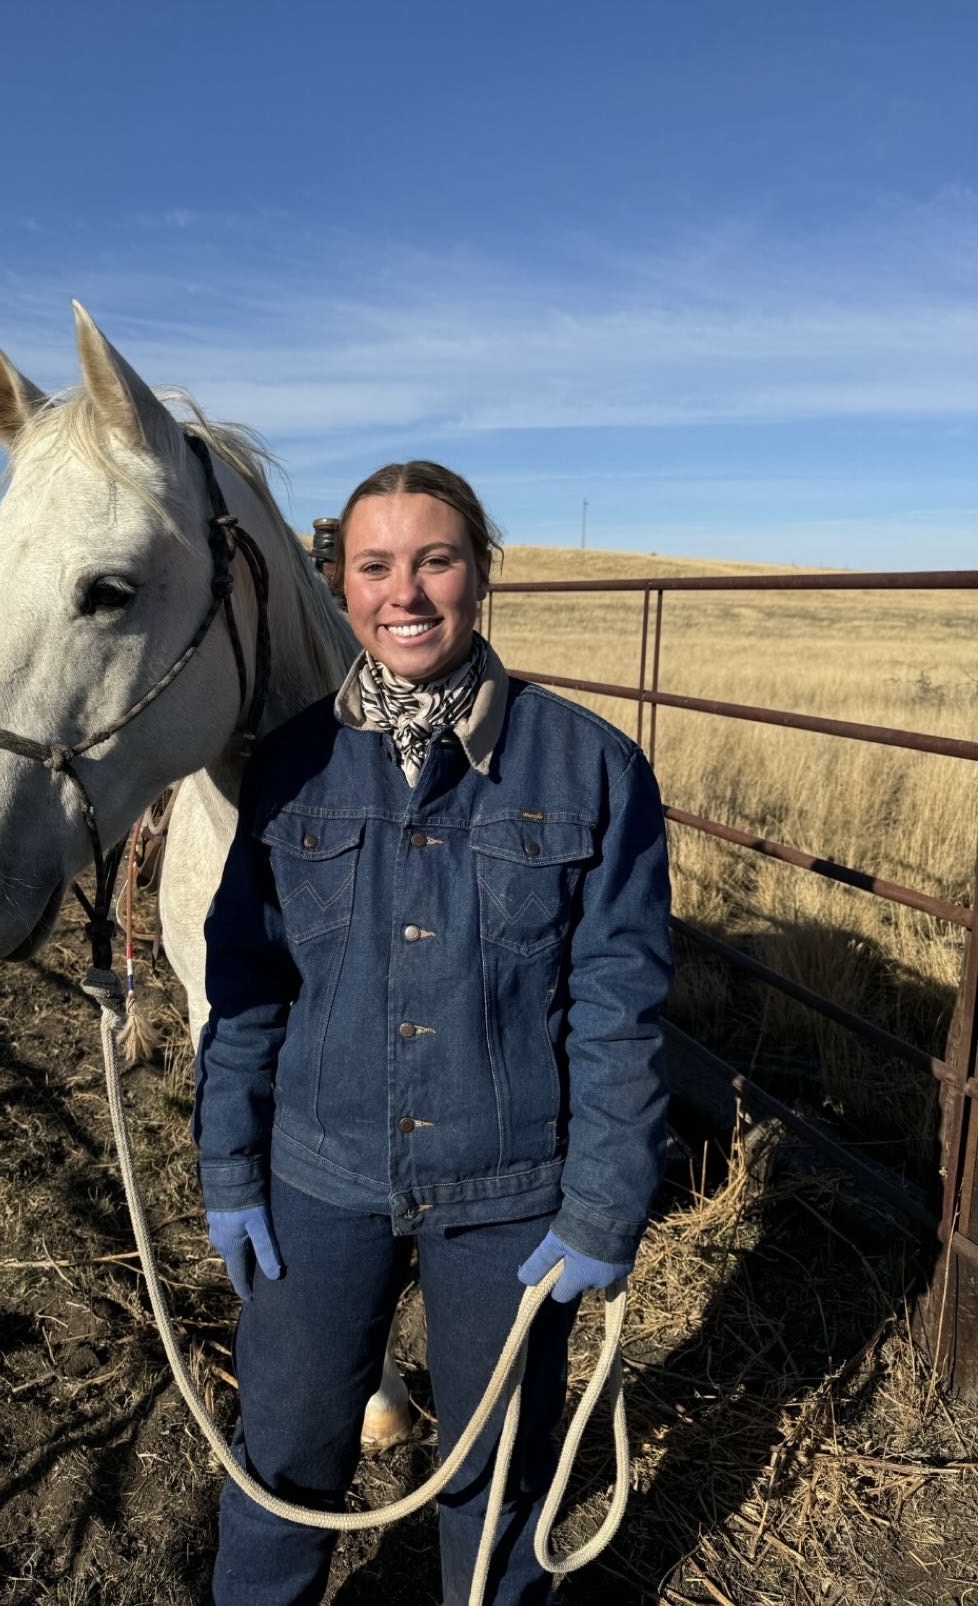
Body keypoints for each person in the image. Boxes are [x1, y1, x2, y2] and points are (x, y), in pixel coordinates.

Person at [193, 462, 673, 1605]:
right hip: (316, 1176)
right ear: (341, 587)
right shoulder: (291, 767)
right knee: (282, 1466)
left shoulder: (592, 767)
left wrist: (606, 1200)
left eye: (435, 559)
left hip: (509, 1194)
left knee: (500, 1477)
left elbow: (620, 1004)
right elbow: (246, 983)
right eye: (374, 565)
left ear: (481, 575)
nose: (404, 592)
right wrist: (229, 1163)